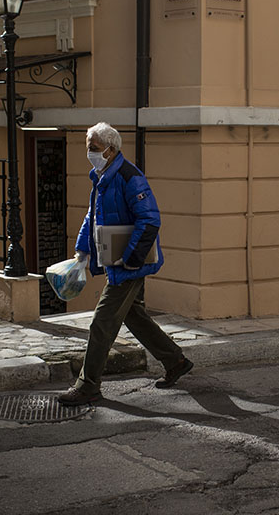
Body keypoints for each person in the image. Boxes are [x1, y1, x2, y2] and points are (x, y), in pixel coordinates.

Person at [58, 122, 193, 406]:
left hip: (128, 264)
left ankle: (88, 386)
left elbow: (150, 219)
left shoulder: (130, 177)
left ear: (110, 150)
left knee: (101, 323)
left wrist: (131, 258)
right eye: (88, 148)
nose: (89, 153)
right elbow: (92, 217)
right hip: (117, 261)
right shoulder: (101, 176)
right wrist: (81, 252)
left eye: (93, 148)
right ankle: (175, 361)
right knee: (134, 317)